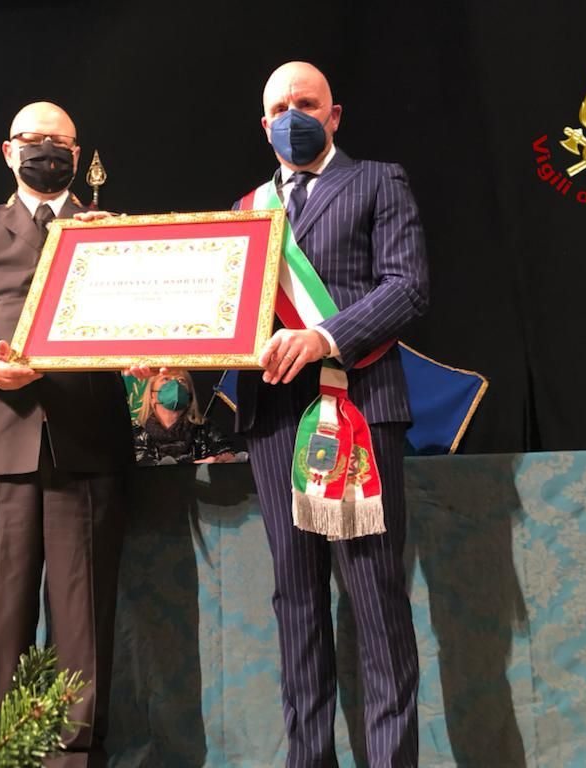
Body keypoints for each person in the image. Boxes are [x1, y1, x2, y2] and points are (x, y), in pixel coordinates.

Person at [0, 102, 132, 767]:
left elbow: (140, 316)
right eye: (34, 140)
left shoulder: (105, 229)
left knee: (83, 622)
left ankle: (77, 757)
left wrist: (125, 251)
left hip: (88, 440)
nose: (47, 150)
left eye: (60, 142)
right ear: (8, 151)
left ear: (78, 153)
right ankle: (2, 755)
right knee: (4, 621)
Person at [236, 62, 429, 766]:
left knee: (375, 600)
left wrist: (324, 337)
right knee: (296, 603)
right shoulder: (246, 209)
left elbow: (408, 287)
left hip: (358, 408)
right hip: (273, 419)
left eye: (307, 103)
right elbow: (226, 314)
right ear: (264, 125)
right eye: (281, 107)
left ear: (334, 114)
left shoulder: (378, 181)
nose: (294, 115)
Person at [132, 369, 235, 465]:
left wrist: (223, 458)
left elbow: (224, 453)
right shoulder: (137, 432)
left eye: (181, 380)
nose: (175, 385)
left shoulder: (205, 428)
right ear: (152, 395)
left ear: (189, 395)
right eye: (166, 379)